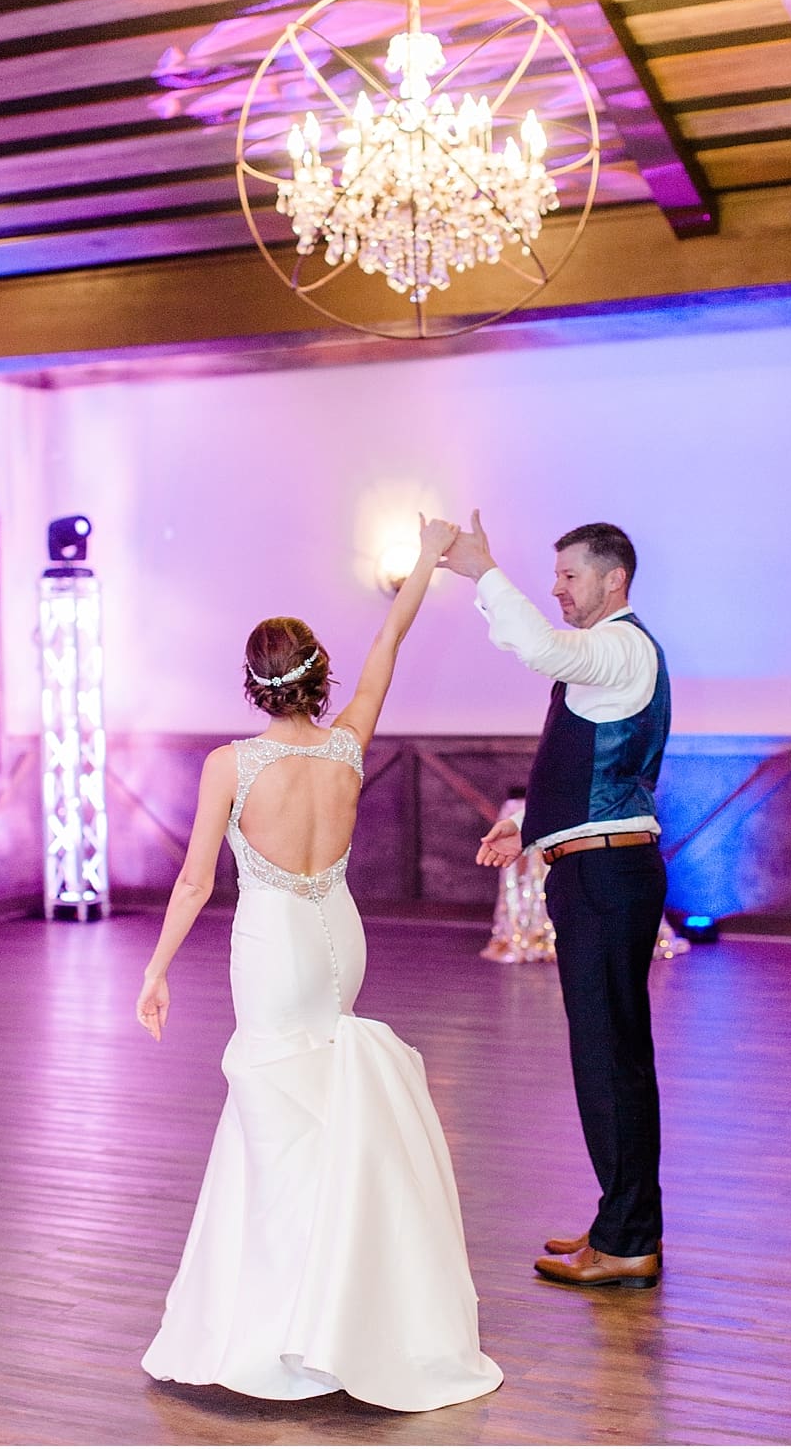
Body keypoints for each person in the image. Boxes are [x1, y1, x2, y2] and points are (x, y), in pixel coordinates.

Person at [135, 515, 502, 1412]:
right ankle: (344, 1305)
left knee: (274, 1119)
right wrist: (426, 560)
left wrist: (155, 970)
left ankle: (285, 1320)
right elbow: (392, 638)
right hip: (339, 935)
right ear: (315, 676)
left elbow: (192, 881)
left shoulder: (232, 764)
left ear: (252, 685)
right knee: (323, 1105)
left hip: (271, 945)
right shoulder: (349, 743)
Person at [438, 512, 671, 1290]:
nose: (557, 587)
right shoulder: (607, 660)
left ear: (615, 580)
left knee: (611, 1063)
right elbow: (588, 765)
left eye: (570, 575)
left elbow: (536, 646)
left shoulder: (618, 646)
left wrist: (481, 569)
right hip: (595, 869)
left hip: (607, 879)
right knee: (606, 1059)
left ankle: (630, 1238)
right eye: (555, 575)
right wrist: (529, 827)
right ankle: (617, 1223)